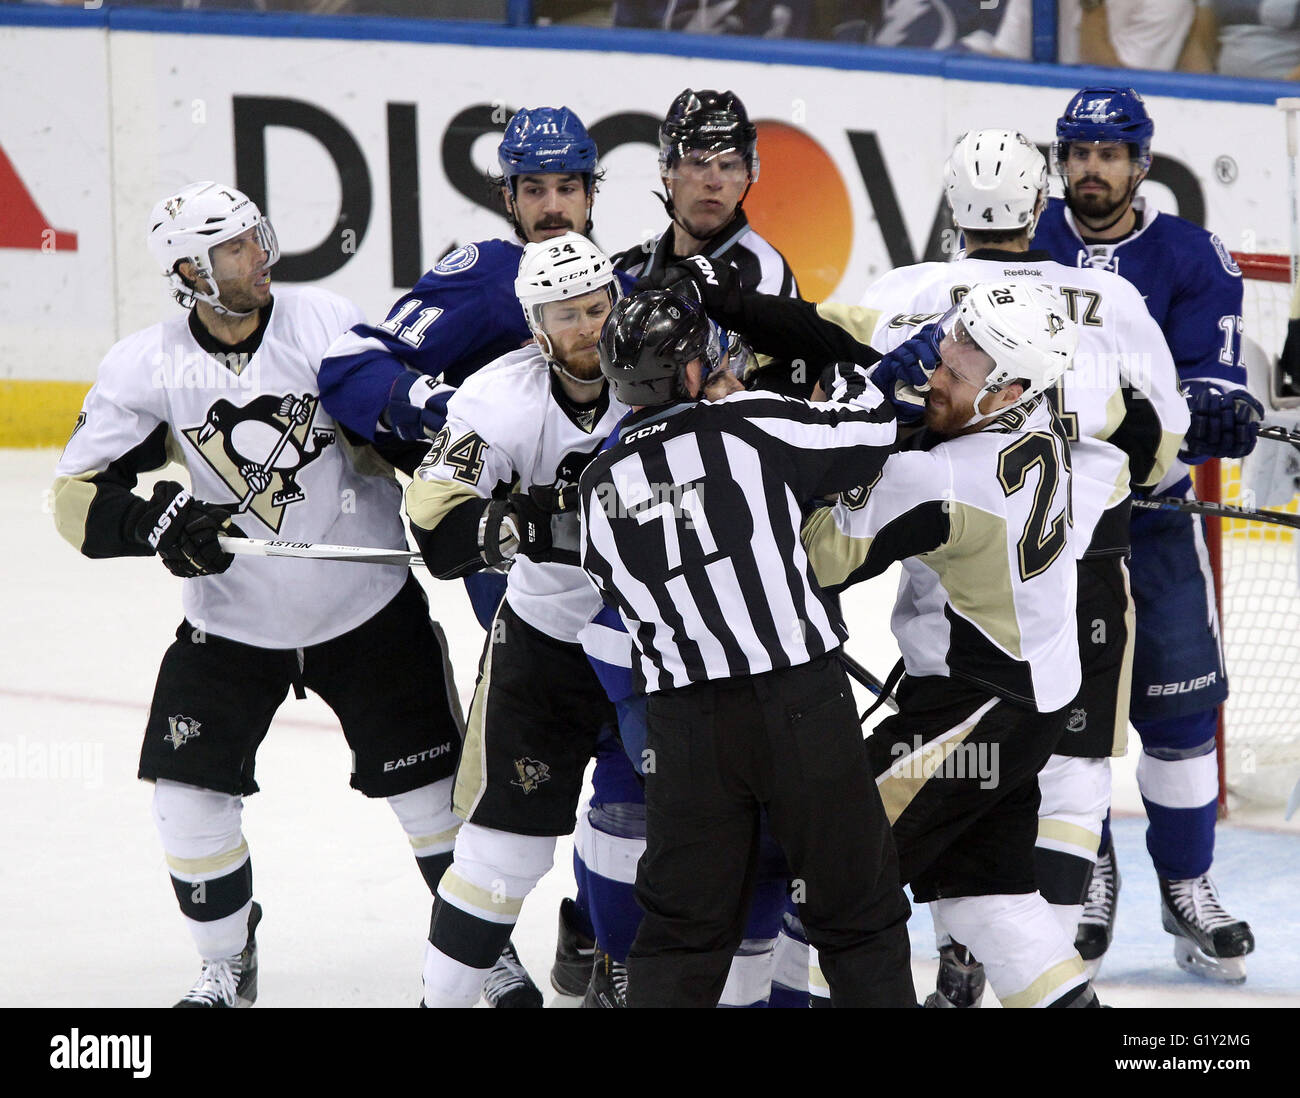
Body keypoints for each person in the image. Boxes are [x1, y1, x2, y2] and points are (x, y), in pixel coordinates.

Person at [51, 181, 465, 1007]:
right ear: (188, 274)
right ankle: (225, 966)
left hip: (368, 608)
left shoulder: (323, 321)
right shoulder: (148, 363)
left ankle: (477, 959)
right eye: (234, 248)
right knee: (186, 800)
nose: (259, 256)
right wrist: (158, 526)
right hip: (232, 622)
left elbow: (395, 423)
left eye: (256, 236)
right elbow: (74, 499)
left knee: (434, 806)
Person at [847, 129, 1189, 1003]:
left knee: (849, 851)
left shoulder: (905, 295)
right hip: (1077, 600)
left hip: (954, 621)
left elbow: (829, 391)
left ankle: (959, 960)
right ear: (1040, 204)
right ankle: (1043, 964)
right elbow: (1162, 446)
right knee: (1062, 797)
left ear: (951, 208)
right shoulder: (1105, 297)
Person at [578, 289, 915, 1008]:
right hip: (800, 708)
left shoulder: (595, 485)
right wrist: (857, 369)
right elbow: (870, 430)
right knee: (857, 915)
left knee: (681, 934)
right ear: (690, 375)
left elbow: (616, 588)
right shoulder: (746, 423)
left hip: (686, 733)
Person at [555, 86, 805, 1006]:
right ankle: (601, 939)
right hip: (626, 564)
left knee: (705, 794)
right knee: (622, 779)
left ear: (750, 173)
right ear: (662, 172)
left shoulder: (763, 277)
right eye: (695, 162)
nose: (712, 179)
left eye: (730, 162)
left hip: (716, 565)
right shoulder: (619, 267)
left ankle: (720, 969)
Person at [800, 282, 1101, 1007]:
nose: (933, 380)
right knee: (988, 898)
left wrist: (847, 418)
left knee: (834, 874)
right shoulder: (1040, 428)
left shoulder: (938, 478)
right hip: (1034, 702)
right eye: (941, 357)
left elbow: (812, 557)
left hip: (971, 713)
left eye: (955, 377)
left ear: (1008, 391)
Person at [1033, 86, 1259, 983]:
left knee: (1178, 712)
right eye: (1078, 153)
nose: (1092, 169)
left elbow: (1216, 371)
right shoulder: (1025, 238)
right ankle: (1086, 865)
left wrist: (1217, 407)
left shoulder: (1190, 254)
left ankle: (1188, 886)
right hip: (1045, 529)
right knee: (1058, 718)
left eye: (1109, 153)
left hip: (1154, 520)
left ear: (1141, 164)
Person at [405, 233, 630, 1008]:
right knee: (500, 858)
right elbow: (435, 521)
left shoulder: (666, 373)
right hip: (547, 649)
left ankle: (614, 969)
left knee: (640, 830)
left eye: (598, 308)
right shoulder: (499, 396)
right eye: (568, 315)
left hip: (654, 650)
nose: (589, 328)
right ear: (536, 325)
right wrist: (501, 525)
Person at [320, 105, 623, 633]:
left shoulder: (617, 287)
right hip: (521, 556)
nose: (552, 207)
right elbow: (351, 367)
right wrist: (447, 412)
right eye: (533, 190)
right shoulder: (486, 276)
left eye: (566, 189)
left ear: (590, 193)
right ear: (509, 197)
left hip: (619, 556)